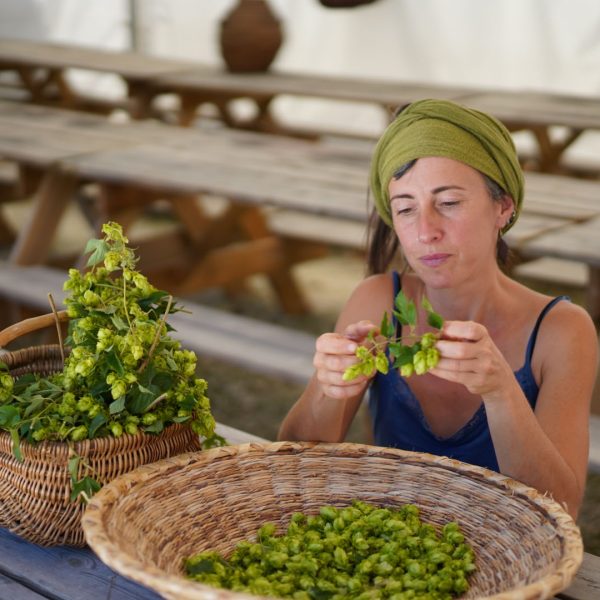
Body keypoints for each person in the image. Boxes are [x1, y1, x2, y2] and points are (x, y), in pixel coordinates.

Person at [278, 98, 598, 519]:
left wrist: (501, 391)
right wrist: (329, 383)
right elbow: (293, 463)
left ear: (503, 207)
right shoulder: (377, 301)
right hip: (392, 549)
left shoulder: (562, 331)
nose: (425, 231)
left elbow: (561, 509)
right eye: (406, 209)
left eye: (448, 203)